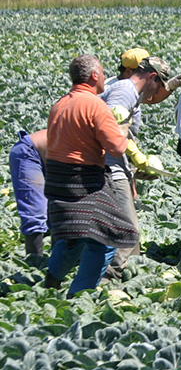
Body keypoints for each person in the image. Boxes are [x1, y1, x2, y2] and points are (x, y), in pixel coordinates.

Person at [43, 55, 139, 297]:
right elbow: (116, 147)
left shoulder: (60, 104)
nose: (106, 77)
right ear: (94, 76)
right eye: (104, 73)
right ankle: (78, 296)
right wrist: (123, 132)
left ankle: (51, 281)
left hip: (57, 179)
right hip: (83, 181)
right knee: (106, 239)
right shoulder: (95, 105)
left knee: (73, 235)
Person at [100, 56, 181, 281]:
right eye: (160, 84)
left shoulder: (131, 91)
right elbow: (112, 128)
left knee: (129, 231)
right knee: (127, 228)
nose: (158, 92)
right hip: (109, 167)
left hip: (116, 164)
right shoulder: (124, 92)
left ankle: (127, 273)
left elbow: (151, 98)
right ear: (151, 76)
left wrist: (172, 85)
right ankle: (106, 277)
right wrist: (137, 157)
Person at [9, 129, 49, 255]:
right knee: (35, 210)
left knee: (59, 210)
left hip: (53, 161)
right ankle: (35, 263)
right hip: (29, 153)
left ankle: (59, 264)